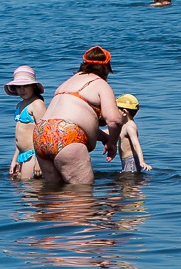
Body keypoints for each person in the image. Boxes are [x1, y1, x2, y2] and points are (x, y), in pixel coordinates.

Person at [35, 46, 124, 187]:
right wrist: (112, 143)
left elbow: (66, 122)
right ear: (107, 68)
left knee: (52, 194)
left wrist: (105, 138)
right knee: (82, 195)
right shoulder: (100, 84)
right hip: (67, 136)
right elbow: (114, 120)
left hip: (41, 134)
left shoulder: (66, 83)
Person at [5, 65, 47, 180]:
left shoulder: (37, 104)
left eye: (26, 86)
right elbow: (20, 138)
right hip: (22, 155)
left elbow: (44, 134)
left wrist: (40, 161)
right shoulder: (19, 105)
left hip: (34, 154)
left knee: (32, 190)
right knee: (24, 190)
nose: (22, 90)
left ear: (33, 86)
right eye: (18, 87)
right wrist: (15, 160)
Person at [113, 93, 149, 172]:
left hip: (131, 161)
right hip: (126, 161)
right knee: (126, 181)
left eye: (116, 109)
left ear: (124, 112)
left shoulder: (130, 127)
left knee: (129, 182)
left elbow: (136, 145)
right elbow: (110, 132)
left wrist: (142, 161)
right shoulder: (123, 124)